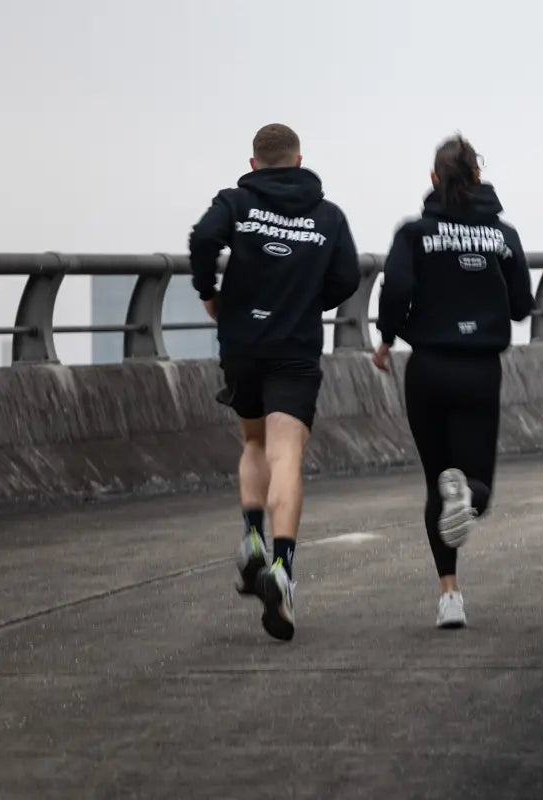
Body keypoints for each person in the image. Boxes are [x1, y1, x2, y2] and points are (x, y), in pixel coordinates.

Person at [189, 123, 361, 641]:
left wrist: (209, 294)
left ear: (253, 165)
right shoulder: (328, 216)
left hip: (242, 343)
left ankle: (251, 537)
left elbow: (202, 238)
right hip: (294, 348)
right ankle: (282, 569)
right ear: (300, 160)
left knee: (255, 441)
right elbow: (347, 278)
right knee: (287, 454)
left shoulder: (237, 202)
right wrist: (310, 300)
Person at [373, 134, 534, 630]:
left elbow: (396, 287)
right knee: (474, 482)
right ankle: (468, 496)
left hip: (427, 368)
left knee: (435, 483)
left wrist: (388, 336)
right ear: (477, 178)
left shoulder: (414, 233)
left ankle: (450, 595)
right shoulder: (502, 235)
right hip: (480, 369)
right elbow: (522, 305)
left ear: (433, 180)